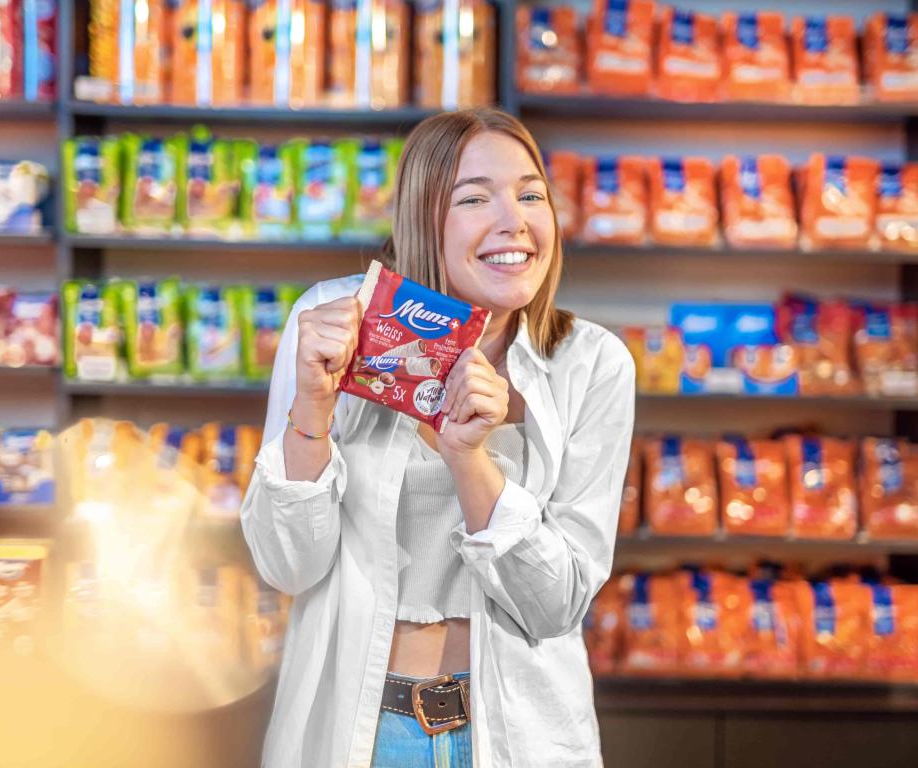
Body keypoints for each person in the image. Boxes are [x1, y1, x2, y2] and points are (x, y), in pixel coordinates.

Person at [240, 107, 635, 768]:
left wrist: (467, 457)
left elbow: (557, 603)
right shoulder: (333, 325)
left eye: (531, 194)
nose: (514, 221)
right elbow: (288, 567)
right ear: (424, 217)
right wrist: (312, 410)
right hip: (360, 736)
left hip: (519, 739)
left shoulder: (590, 363)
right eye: (475, 198)